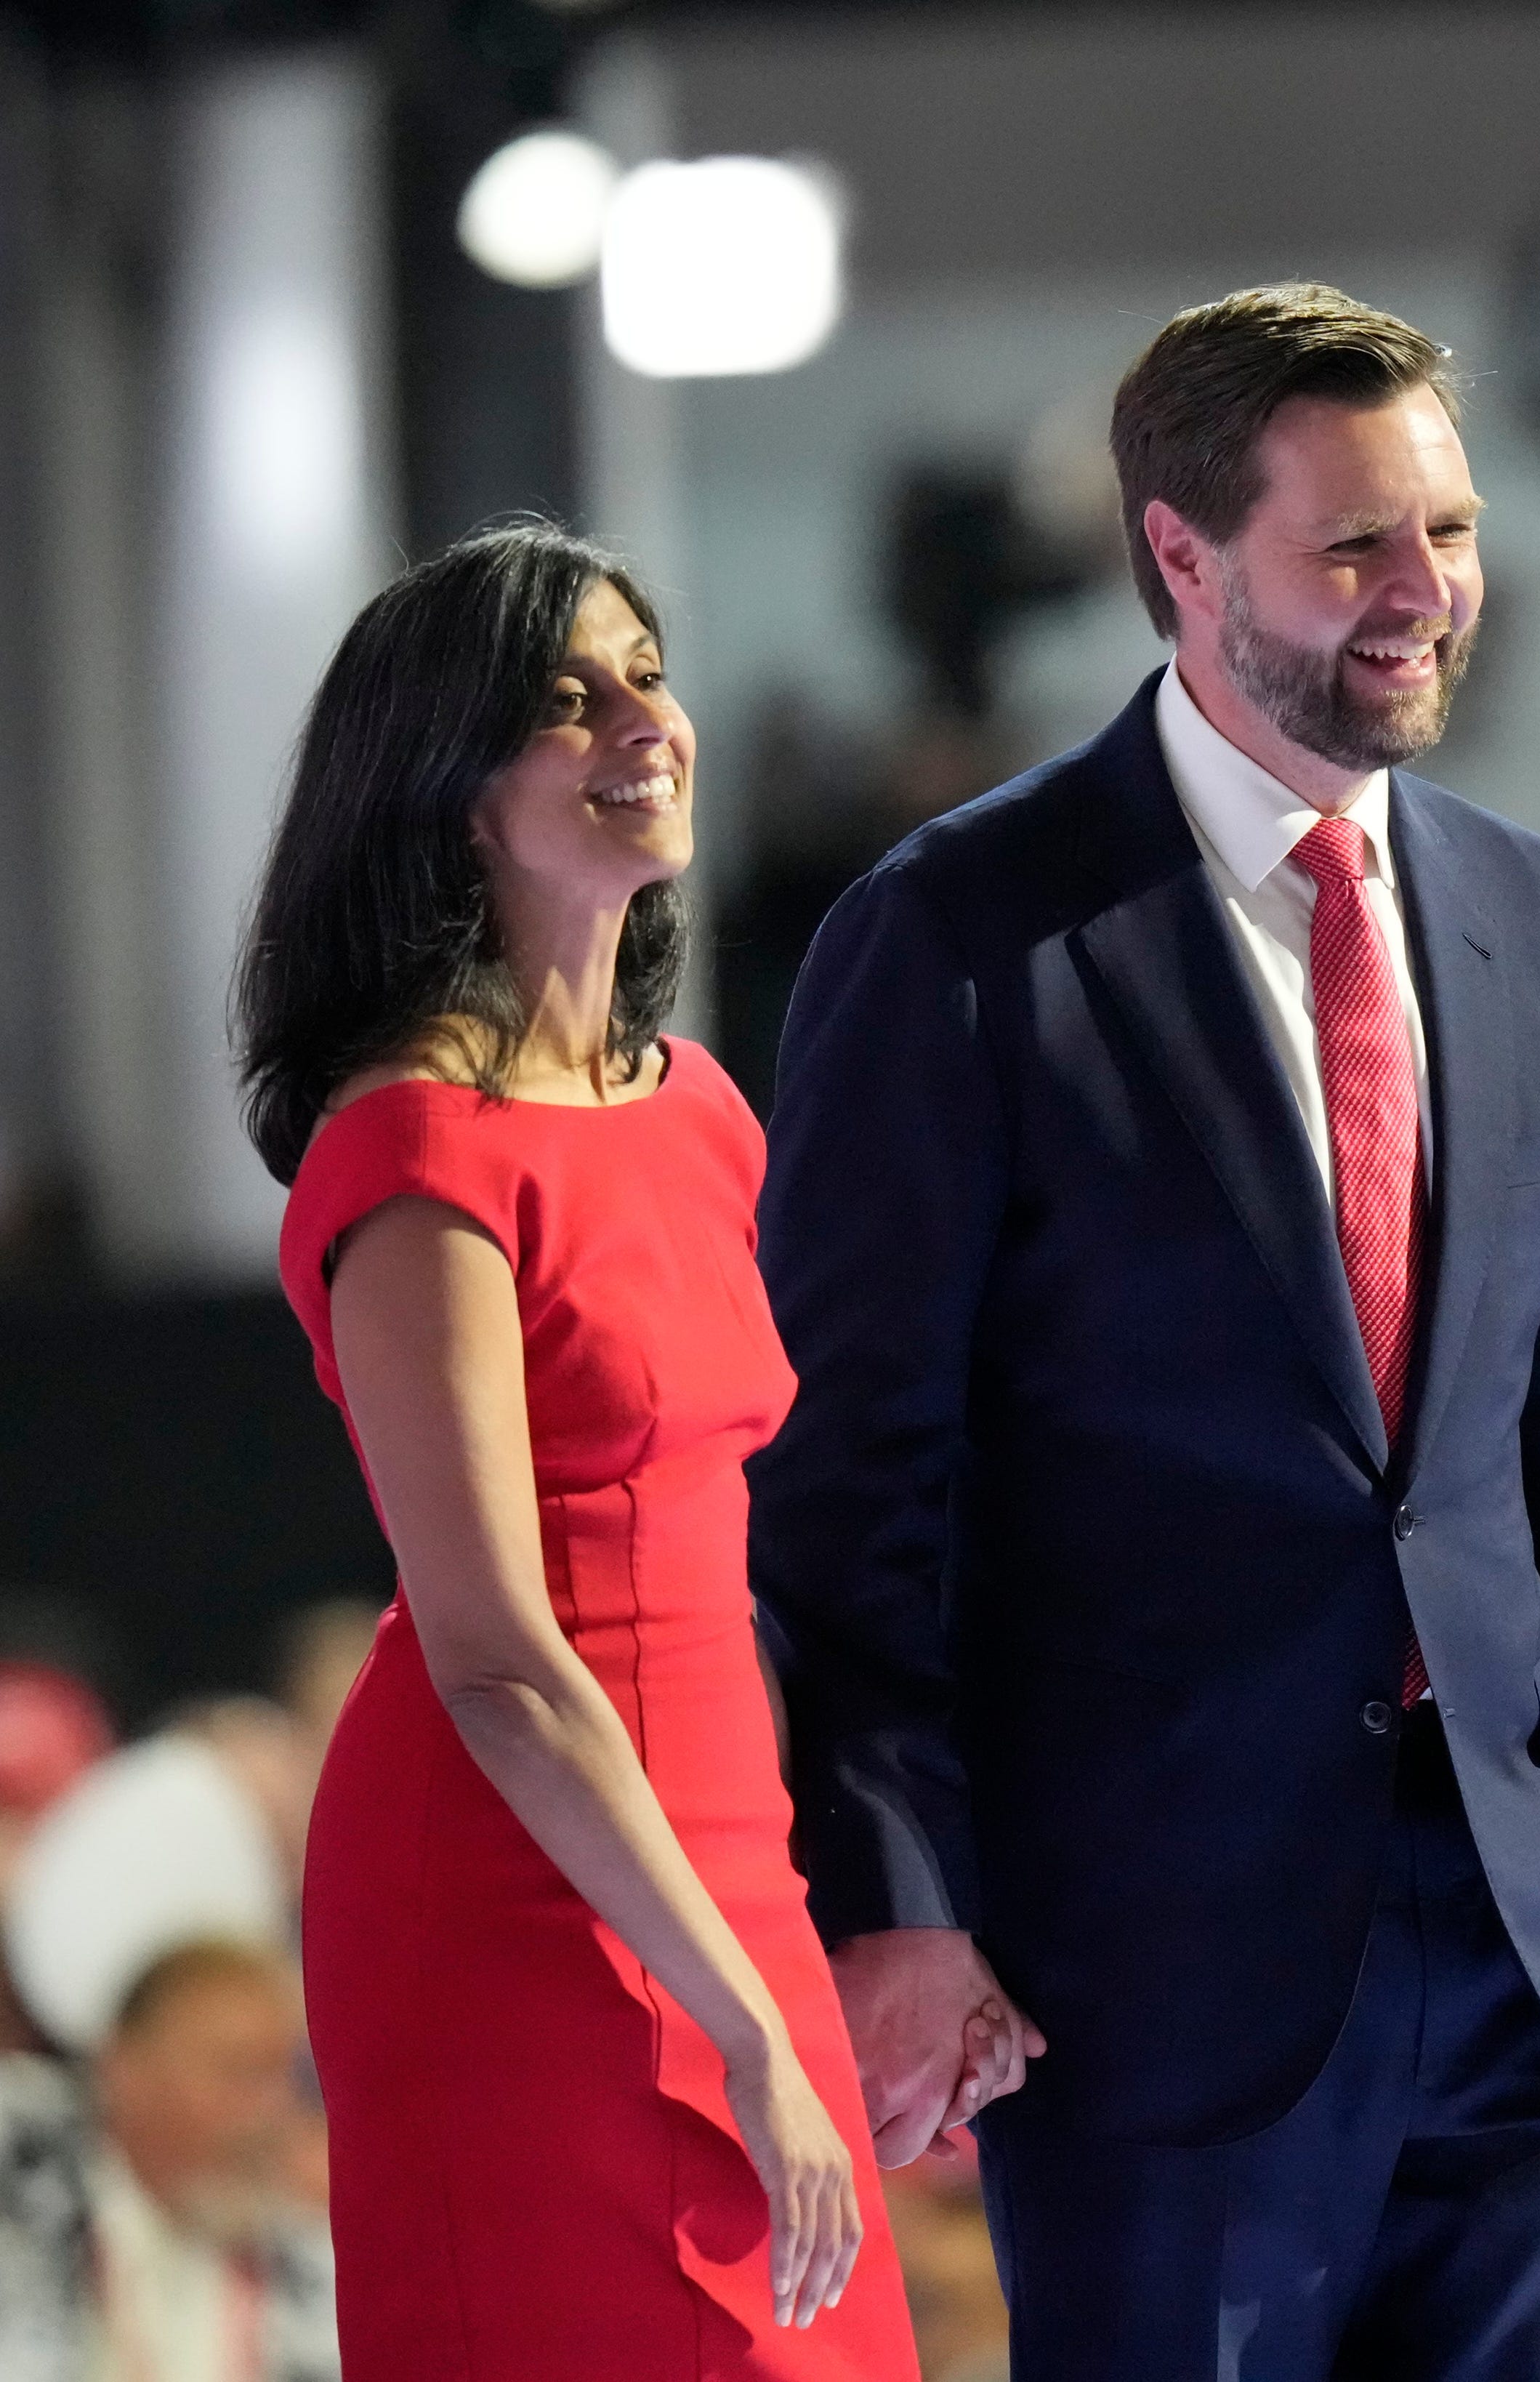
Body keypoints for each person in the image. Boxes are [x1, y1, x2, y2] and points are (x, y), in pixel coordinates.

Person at [753, 281, 1540, 2379]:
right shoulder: (955, 931)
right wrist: (898, 1896)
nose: (1427, 595)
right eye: (1357, 545)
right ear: (1181, 557)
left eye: (1452, 533)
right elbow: (857, 1478)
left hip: (1532, 1946)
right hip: (1154, 1960)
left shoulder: (1534, 913)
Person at [233, 523, 913, 2374]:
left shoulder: (695, 1104)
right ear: (453, 797)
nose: (641, 717)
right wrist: (748, 2025)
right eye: (565, 699)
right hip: (513, 1884)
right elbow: (499, 1663)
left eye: (645, 670)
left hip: (726, 1861)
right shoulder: (415, 1150)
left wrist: (853, 1928)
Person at [0, 1938, 338, 2382]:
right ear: (122, 2064)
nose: (271, 2113)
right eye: (239, 2073)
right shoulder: (20, 2159)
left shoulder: (307, 2253)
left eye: (283, 2077)